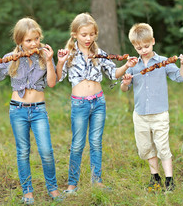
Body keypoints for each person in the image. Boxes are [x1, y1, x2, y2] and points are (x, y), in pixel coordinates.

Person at [0, 18, 62, 204]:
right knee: (23, 151)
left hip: (39, 110)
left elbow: (52, 82)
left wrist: (49, 61)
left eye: (36, 39)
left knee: (46, 151)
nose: (33, 44)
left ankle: (53, 189)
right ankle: (27, 191)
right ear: (20, 41)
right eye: (28, 40)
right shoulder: (11, 58)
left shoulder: (44, 56)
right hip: (18, 111)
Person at [56, 13, 138, 194]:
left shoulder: (99, 54)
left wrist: (126, 65)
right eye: (84, 35)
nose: (88, 38)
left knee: (95, 142)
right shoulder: (68, 55)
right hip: (80, 104)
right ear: (75, 34)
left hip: (99, 102)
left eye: (91, 34)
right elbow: (58, 77)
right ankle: (72, 184)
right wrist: (60, 63)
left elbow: (113, 73)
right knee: (77, 144)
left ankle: (97, 180)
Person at [120, 23, 183, 192]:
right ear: (134, 46)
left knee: (162, 146)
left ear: (153, 41)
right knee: (145, 147)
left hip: (159, 113)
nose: (143, 50)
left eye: (146, 46)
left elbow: (179, 78)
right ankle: (155, 176)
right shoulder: (133, 65)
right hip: (140, 113)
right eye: (139, 47)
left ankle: (169, 180)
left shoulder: (163, 62)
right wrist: (126, 82)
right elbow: (124, 88)